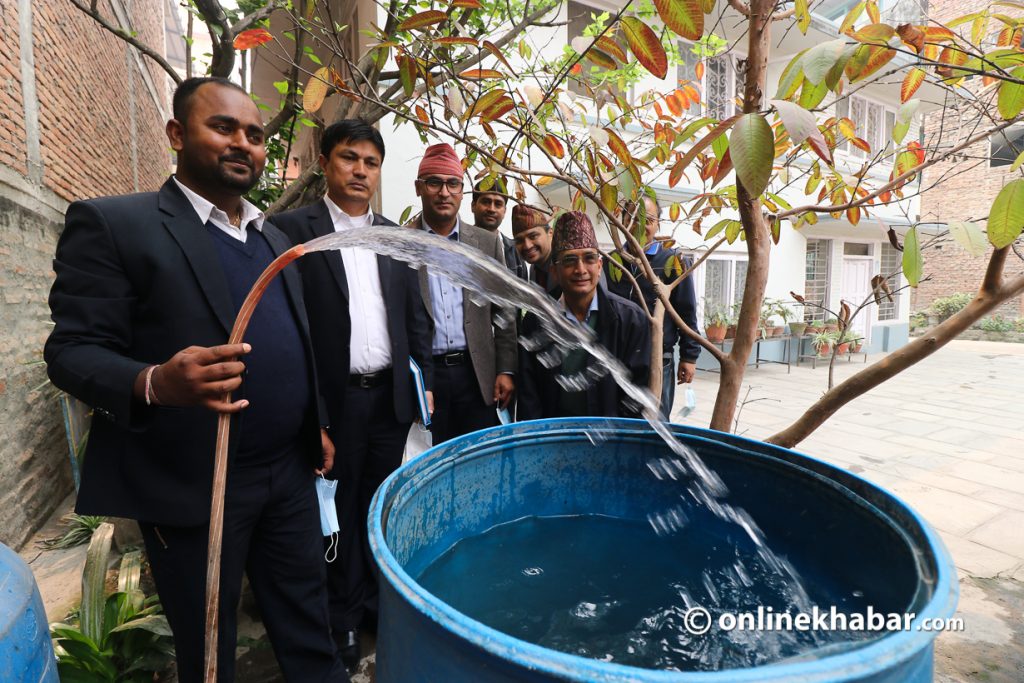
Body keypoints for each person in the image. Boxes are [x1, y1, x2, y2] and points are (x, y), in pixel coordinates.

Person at [44, 77, 346, 682]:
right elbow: (70, 351)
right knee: (207, 645)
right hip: (193, 483)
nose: (244, 144)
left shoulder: (275, 237)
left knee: (307, 623)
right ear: (177, 134)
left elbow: (298, 338)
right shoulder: (116, 225)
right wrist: (155, 381)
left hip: (286, 474)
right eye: (224, 127)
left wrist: (317, 423)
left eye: (255, 135)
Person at [273, 120, 434, 672]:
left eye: (370, 161)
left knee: (376, 509)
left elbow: (415, 321)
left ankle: (368, 605)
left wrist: (420, 393)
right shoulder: (292, 232)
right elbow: (285, 332)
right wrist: (310, 416)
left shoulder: (394, 237)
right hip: (332, 408)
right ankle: (337, 620)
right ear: (325, 162)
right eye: (349, 158)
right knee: (332, 517)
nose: (360, 170)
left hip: (388, 404)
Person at [411, 143, 517, 443]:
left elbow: (504, 310)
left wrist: (506, 369)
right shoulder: (402, 242)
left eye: (452, 184)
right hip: (427, 378)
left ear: (461, 191)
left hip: (477, 374)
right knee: (433, 466)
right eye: (434, 182)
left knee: (480, 462)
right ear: (419, 188)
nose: (444, 192)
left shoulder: (485, 243)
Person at [518, 211, 651, 420]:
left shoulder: (631, 320)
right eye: (570, 261)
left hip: (610, 440)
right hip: (555, 438)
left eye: (589, 258)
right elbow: (529, 395)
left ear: (599, 266)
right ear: (555, 271)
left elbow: (637, 394)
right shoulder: (536, 322)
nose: (580, 269)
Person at [606, 196, 701, 420]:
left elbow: (687, 313)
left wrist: (690, 356)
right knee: (617, 420)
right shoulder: (612, 262)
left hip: (659, 360)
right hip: (616, 358)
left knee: (656, 423)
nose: (640, 226)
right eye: (632, 218)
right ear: (622, 221)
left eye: (648, 220)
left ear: (658, 223)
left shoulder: (672, 263)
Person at [470, 179, 527, 280]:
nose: (491, 209)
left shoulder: (514, 250)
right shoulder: (460, 241)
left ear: (504, 211)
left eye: (498, 204)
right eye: (486, 202)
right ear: (473, 206)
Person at [511, 203, 555, 292]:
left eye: (533, 236)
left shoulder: (565, 266)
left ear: (550, 233)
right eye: (519, 240)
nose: (527, 246)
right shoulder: (533, 270)